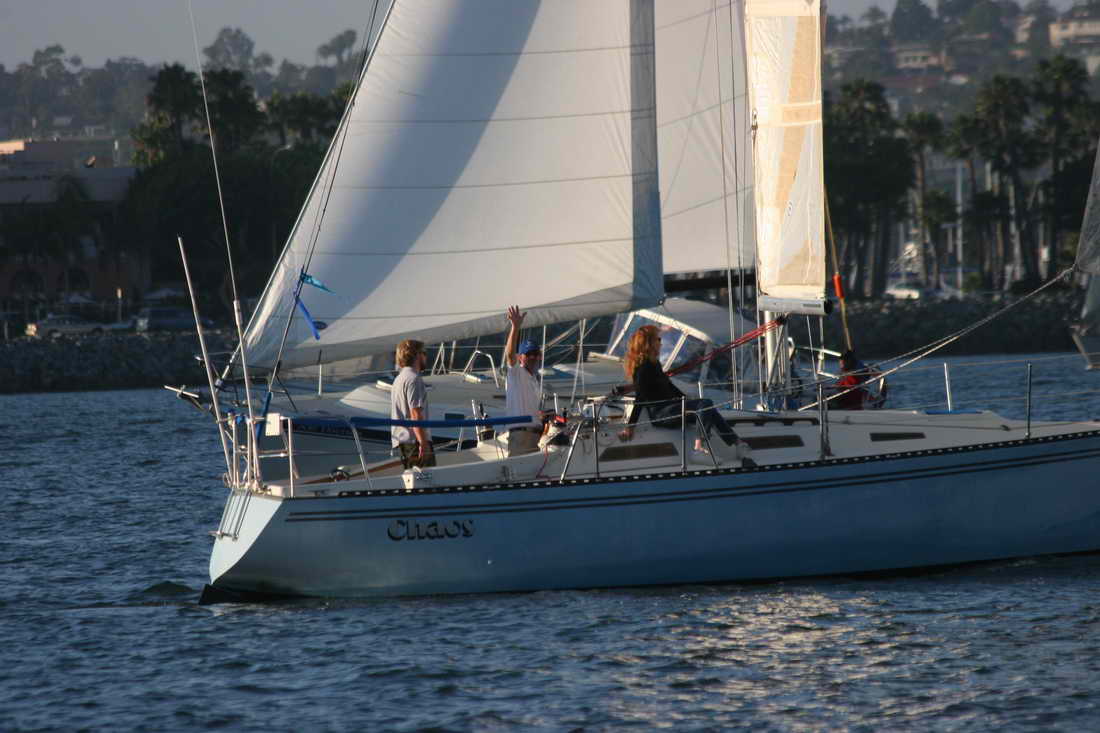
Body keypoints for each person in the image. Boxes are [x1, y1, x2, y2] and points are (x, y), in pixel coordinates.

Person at [617, 325, 751, 463]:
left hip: (670, 408)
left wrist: (686, 400)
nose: (661, 342)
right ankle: (698, 449)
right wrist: (630, 427)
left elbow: (669, 386)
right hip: (661, 414)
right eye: (658, 339)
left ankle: (738, 443)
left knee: (708, 409)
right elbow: (640, 397)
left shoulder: (654, 363)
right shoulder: (643, 367)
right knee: (705, 404)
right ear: (649, 343)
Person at [503, 305, 543, 456]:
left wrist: (542, 415)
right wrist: (515, 327)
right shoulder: (516, 372)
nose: (533, 357)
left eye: (536, 354)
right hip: (521, 435)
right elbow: (509, 355)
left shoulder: (534, 379)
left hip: (535, 435)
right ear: (520, 357)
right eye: (528, 354)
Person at [391, 338, 435, 468]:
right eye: (424, 353)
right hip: (414, 441)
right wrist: (423, 443)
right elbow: (415, 414)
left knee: (411, 477)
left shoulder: (398, 379)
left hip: (402, 441)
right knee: (428, 478)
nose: (426, 357)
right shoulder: (414, 379)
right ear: (417, 355)